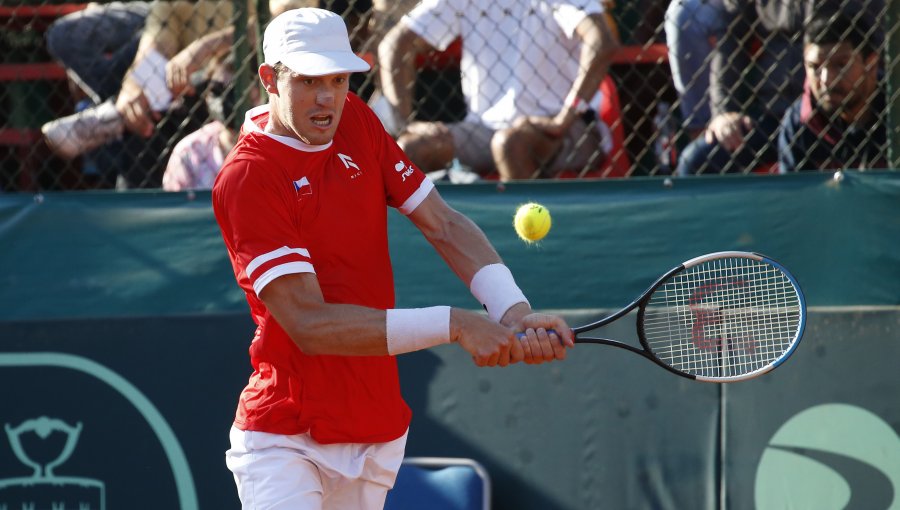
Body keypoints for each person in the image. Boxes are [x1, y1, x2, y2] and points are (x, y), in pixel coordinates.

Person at [213, 8, 574, 509]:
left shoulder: (356, 121)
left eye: (338, 80)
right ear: (270, 79)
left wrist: (513, 312)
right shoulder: (249, 177)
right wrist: (455, 324)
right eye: (309, 80)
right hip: (286, 437)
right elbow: (309, 324)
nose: (327, 98)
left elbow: (442, 223)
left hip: (375, 431)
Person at [377, 0, 619, 181]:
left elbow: (601, 41)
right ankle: (434, 245)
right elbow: (394, 44)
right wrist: (403, 124)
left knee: (511, 145)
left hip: (568, 128)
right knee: (411, 148)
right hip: (483, 130)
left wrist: (565, 117)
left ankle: (528, 247)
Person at [778, 12, 886, 172]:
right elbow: (792, 194)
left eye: (841, 65)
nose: (826, 79)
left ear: (871, 64)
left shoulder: (893, 106)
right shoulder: (798, 121)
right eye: (815, 67)